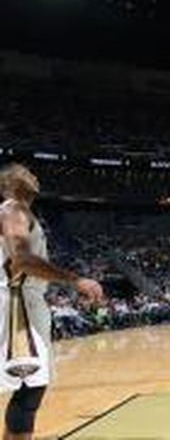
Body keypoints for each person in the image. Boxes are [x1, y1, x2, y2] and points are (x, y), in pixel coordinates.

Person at [0, 164, 104, 440]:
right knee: (30, 385)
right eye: (26, 172)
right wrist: (75, 280)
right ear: (9, 182)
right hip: (18, 304)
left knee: (29, 386)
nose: (34, 175)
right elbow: (21, 259)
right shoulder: (14, 210)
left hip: (23, 301)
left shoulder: (19, 212)